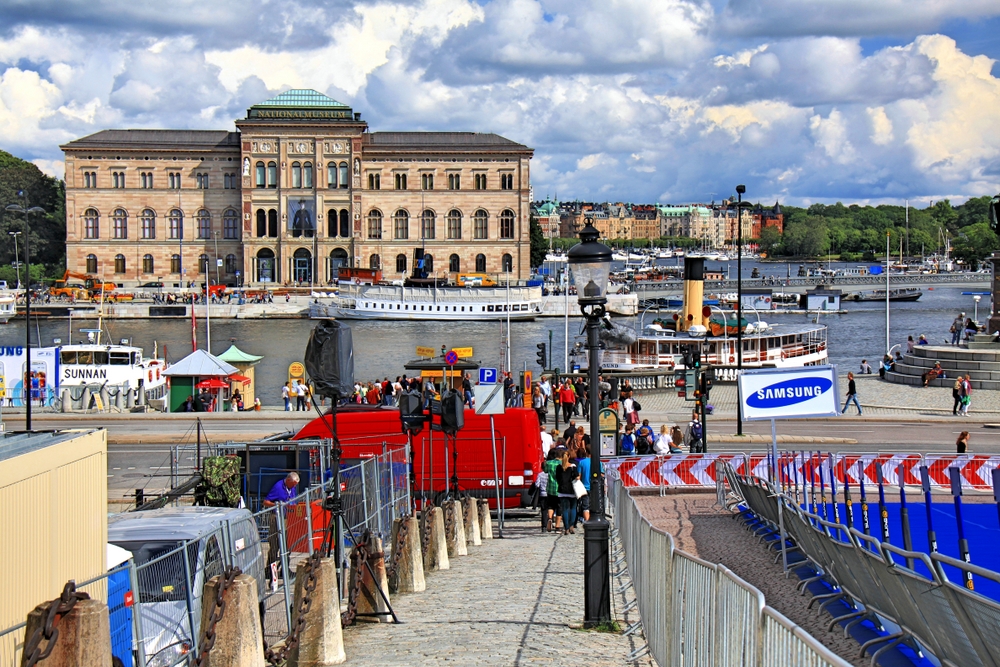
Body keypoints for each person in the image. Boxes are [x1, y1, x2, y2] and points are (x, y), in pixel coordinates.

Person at [263, 472, 299, 586]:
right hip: (277, 518)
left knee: (288, 544)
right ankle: (270, 570)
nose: (294, 487)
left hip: (288, 517)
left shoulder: (291, 488)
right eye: (293, 484)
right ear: (288, 481)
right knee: (275, 545)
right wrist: (276, 506)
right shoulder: (278, 487)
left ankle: (285, 569)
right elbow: (266, 501)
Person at [554, 449, 579, 535]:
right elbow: (577, 477)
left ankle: (566, 528)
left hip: (562, 490)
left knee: (564, 509)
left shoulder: (559, 467)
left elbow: (557, 478)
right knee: (573, 508)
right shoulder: (573, 466)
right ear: (568, 457)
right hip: (572, 490)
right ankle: (571, 525)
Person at [543, 449, 562, 532]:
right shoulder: (561, 464)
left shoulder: (549, 463)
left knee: (550, 505)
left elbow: (545, 471)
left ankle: (550, 518)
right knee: (559, 507)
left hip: (550, 487)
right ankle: (557, 526)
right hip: (559, 488)